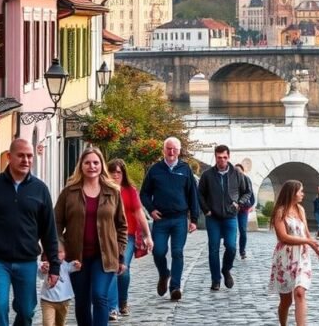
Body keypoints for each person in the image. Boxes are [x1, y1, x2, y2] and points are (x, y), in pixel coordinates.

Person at [0, 138, 61, 326]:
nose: (26, 160)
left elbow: (49, 231)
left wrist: (54, 265)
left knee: (26, 311)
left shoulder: (40, 189)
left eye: (29, 156)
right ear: (9, 157)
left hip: (27, 261)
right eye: (21, 155)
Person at [54, 147, 128, 326]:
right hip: (77, 257)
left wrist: (120, 254)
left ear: (101, 165)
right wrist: (60, 246)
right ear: (81, 166)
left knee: (99, 296)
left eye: (96, 162)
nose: (92, 166)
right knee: (82, 301)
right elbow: (55, 223)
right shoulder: (69, 192)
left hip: (105, 257)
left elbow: (122, 225)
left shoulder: (113, 192)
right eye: (87, 163)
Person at [140, 136, 200, 301]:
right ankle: (164, 273)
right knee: (158, 251)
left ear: (179, 151)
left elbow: (193, 195)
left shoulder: (185, 169)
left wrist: (194, 219)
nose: (171, 152)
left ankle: (175, 287)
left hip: (180, 218)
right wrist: (151, 210)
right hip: (161, 219)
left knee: (177, 252)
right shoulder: (155, 169)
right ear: (163, 150)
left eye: (174, 149)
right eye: (168, 148)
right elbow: (144, 193)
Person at [268, 180, 319, 326]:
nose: (303, 194)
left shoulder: (300, 210)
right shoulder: (280, 211)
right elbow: (283, 237)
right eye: (300, 191)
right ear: (292, 193)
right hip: (285, 258)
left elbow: (306, 233)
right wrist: (308, 241)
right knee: (286, 301)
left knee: (299, 292)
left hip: (302, 257)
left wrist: (315, 247)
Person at [198, 144, 251, 291]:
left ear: (229, 157)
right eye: (219, 157)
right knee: (213, 248)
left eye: (225, 157)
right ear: (215, 157)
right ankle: (216, 280)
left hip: (230, 216)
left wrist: (239, 203)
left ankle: (226, 269)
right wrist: (206, 209)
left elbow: (247, 192)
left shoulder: (237, 174)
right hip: (213, 217)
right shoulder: (207, 175)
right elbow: (200, 193)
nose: (222, 160)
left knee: (232, 247)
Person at [106, 159, 153, 318]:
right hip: (107, 235)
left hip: (128, 236)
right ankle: (112, 308)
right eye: (112, 172)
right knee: (112, 269)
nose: (115, 175)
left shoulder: (129, 191)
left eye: (118, 172)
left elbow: (139, 213)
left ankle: (122, 301)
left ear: (123, 174)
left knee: (123, 268)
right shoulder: (102, 189)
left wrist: (148, 235)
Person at [39, 245, 80, 326]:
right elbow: (40, 274)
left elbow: (74, 266)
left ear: (65, 254)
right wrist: (44, 270)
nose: (57, 255)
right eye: (54, 252)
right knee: (48, 324)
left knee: (60, 323)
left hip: (64, 301)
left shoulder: (66, 265)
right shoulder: (46, 265)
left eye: (60, 252)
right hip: (47, 301)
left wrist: (77, 265)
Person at [234, 163, 255, 260]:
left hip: (243, 209)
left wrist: (250, 205)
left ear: (243, 171)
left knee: (243, 230)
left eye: (239, 171)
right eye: (235, 171)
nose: (237, 173)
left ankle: (242, 251)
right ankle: (231, 249)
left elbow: (251, 195)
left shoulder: (246, 179)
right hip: (232, 209)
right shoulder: (231, 180)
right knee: (232, 230)